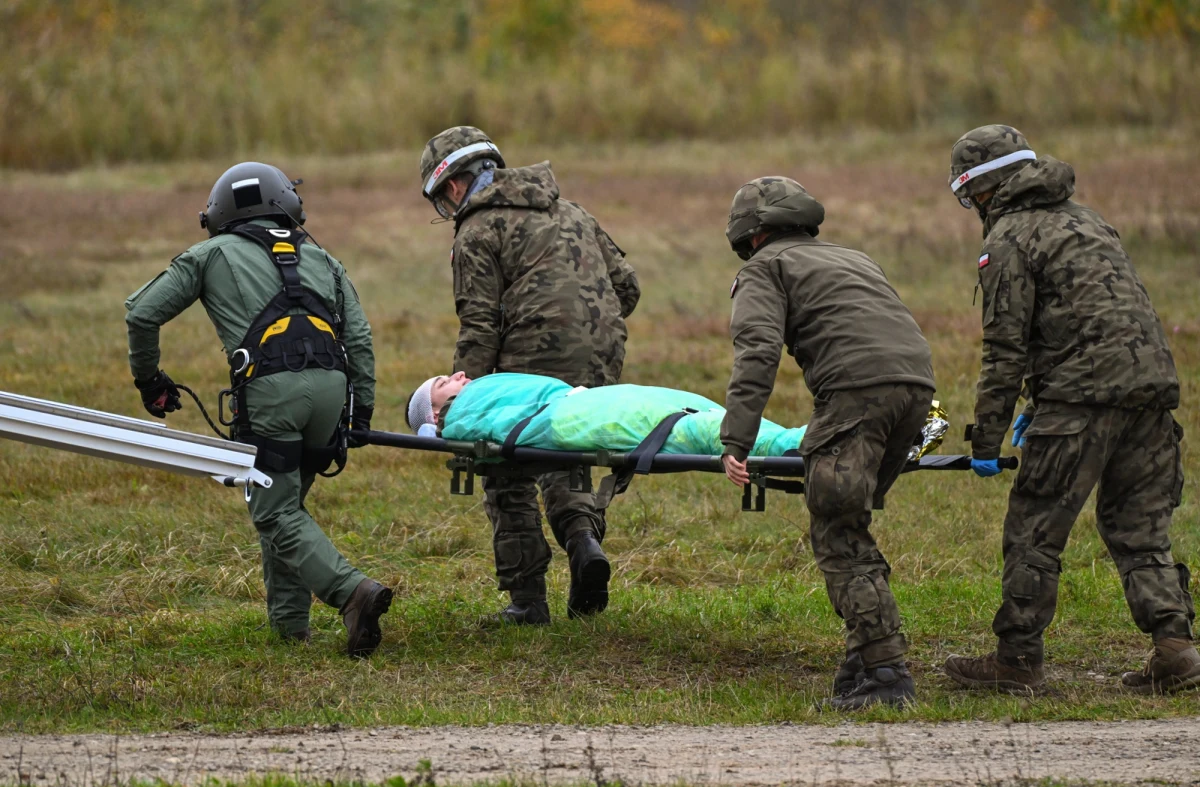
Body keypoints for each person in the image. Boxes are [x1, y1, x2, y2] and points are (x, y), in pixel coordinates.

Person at [943, 124, 1197, 694]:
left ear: (986, 187)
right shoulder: (1089, 221)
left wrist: (986, 440)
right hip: (1152, 392)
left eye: (970, 194)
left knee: (1034, 531)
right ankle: (1175, 648)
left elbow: (1005, 347)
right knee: (1139, 530)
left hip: (1080, 401)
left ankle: (1017, 661)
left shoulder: (1008, 238)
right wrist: (1040, 399)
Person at [125, 162, 393, 657]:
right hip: (332, 393)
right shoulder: (324, 259)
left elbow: (142, 312)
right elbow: (359, 336)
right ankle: (289, 626)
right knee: (287, 505)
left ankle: (351, 593)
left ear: (222, 211)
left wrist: (150, 381)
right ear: (287, 204)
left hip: (272, 393)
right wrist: (361, 414)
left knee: (273, 512)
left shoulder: (208, 255)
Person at [718, 177, 936, 710]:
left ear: (750, 234)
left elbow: (757, 355)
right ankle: (862, 659)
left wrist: (736, 439)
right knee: (852, 526)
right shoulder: (854, 258)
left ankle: (887, 675)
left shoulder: (764, 268)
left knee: (840, 535)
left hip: (856, 396)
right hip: (918, 391)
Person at [417, 126, 641, 625]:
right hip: (604, 349)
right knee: (568, 447)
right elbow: (627, 286)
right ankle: (584, 543)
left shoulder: (477, 231)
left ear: (453, 185)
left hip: (533, 351)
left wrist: (467, 403)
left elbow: (479, 325)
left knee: (504, 465)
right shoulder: (572, 211)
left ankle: (527, 601)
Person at [405, 371, 807, 456]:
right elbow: (464, 428)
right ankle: (797, 444)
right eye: (445, 384)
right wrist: (435, 432)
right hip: (572, 416)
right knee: (687, 427)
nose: (459, 374)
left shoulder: (476, 397)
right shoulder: (462, 414)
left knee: (701, 408)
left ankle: (797, 438)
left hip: (582, 402)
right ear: (438, 414)